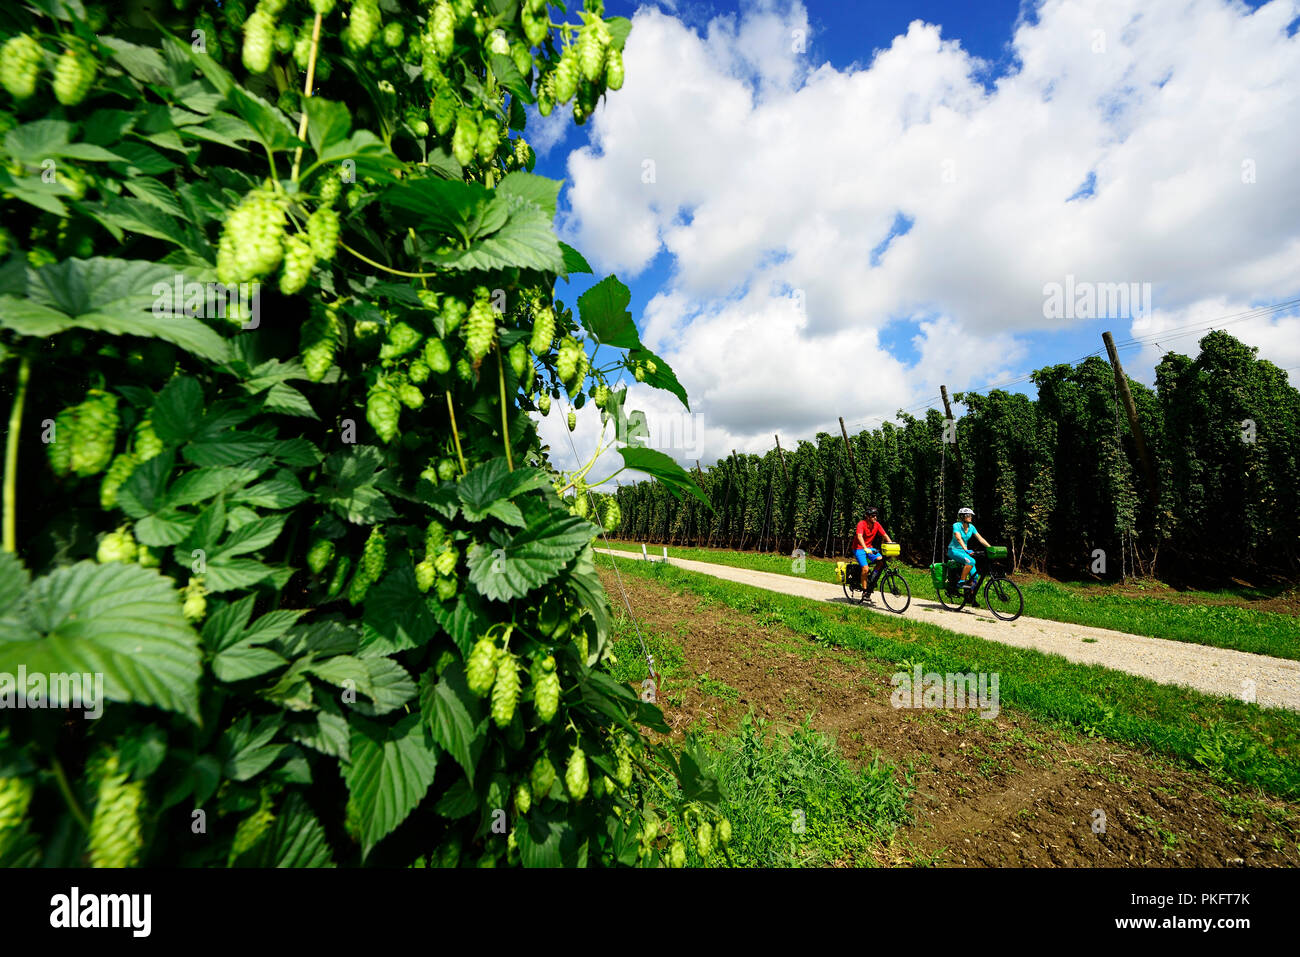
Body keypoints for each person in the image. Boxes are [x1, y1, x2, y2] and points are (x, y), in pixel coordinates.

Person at [853, 506, 893, 596]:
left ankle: (872, 578)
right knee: (865, 569)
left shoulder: (877, 525)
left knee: (881, 561)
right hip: (859, 548)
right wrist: (865, 548)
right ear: (867, 517)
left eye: (876, 515)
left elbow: (885, 535)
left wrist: (891, 545)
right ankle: (865, 591)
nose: (875, 517)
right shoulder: (861, 524)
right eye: (873, 515)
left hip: (869, 548)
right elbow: (859, 536)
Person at [949, 506, 990, 593]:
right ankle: (961, 581)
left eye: (971, 515)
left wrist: (990, 548)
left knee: (975, 576)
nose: (970, 517)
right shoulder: (956, 525)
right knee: (971, 561)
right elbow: (958, 538)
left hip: (964, 552)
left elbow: (980, 539)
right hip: (954, 550)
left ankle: (971, 596)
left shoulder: (971, 527)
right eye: (968, 515)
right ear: (962, 517)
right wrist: (966, 549)